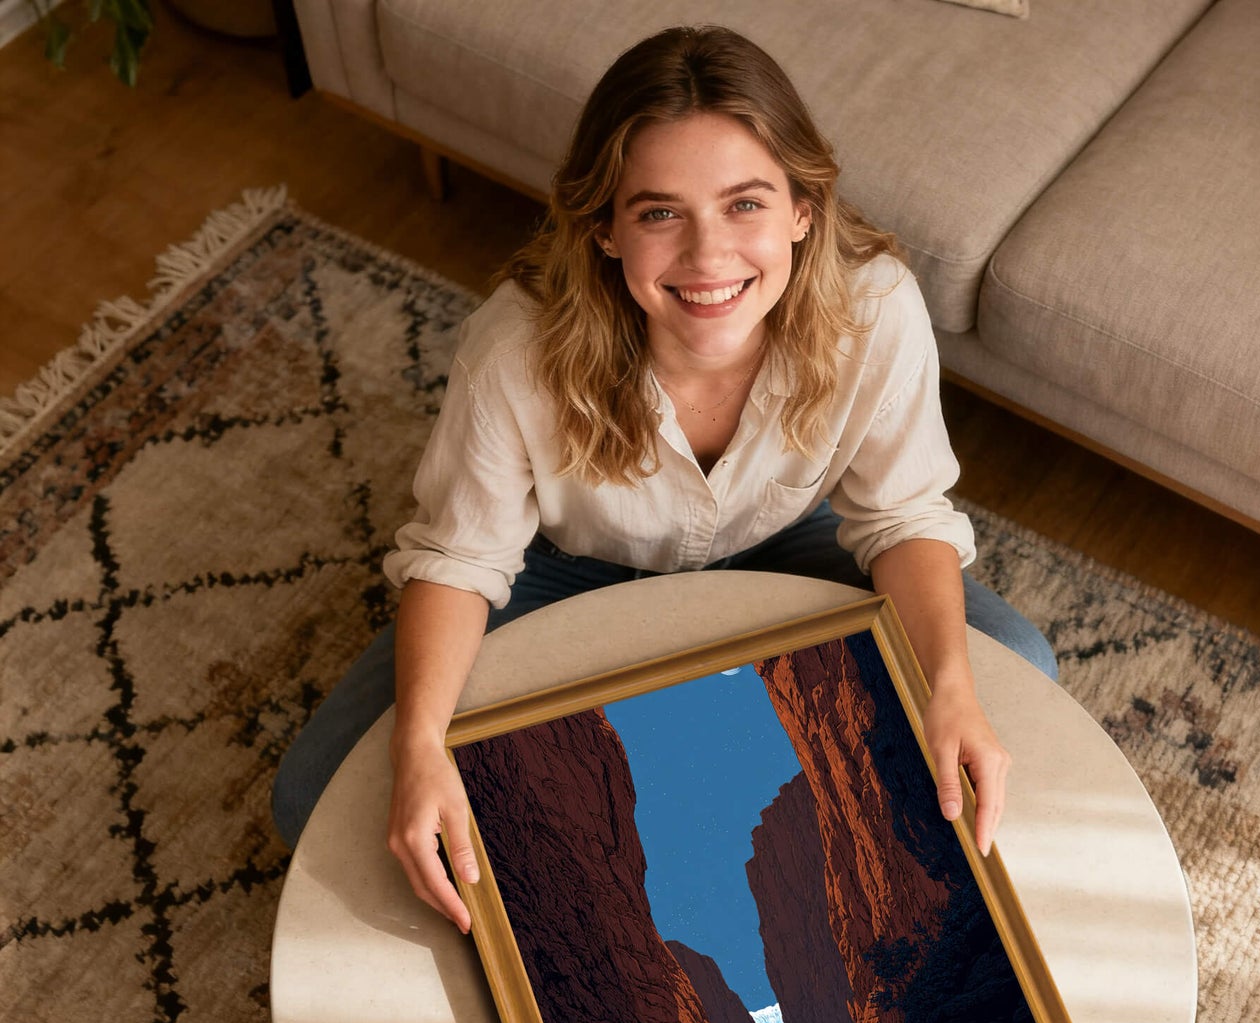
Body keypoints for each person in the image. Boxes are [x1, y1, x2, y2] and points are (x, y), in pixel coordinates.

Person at [271, 25, 1058, 932]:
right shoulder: (514, 352)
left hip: (785, 547)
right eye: (658, 213)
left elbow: (900, 514)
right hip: (561, 571)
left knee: (1011, 667)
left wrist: (949, 681)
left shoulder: (875, 308)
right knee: (315, 798)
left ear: (803, 208)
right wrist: (419, 748)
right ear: (604, 227)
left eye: (744, 204)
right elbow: (458, 560)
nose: (707, 257)